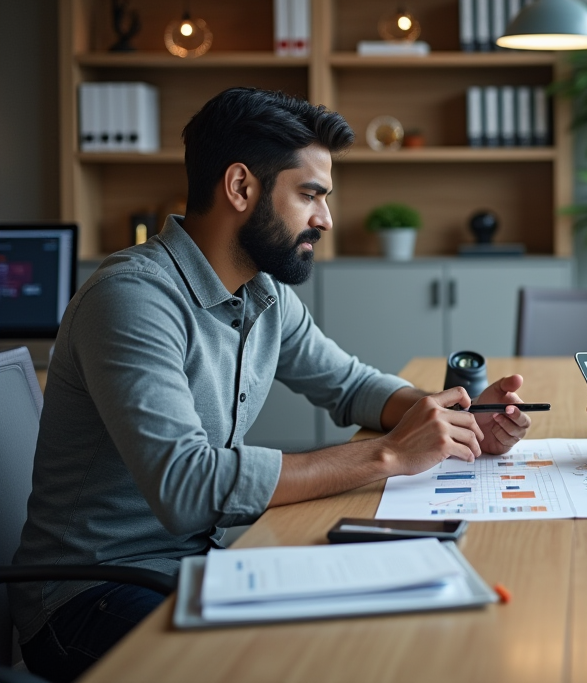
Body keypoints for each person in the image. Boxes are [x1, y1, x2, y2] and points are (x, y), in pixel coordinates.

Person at [13, 88, 532, 682]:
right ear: (240, 187)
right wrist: (388, 454)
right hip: (91, 594)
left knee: (372, 635)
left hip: (193, 565)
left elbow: (350, 384)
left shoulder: (265, 294)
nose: (326, 219)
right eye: (309, 195)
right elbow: (186, 485)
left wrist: (454, 416)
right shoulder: (132, 299)